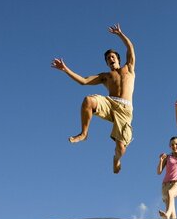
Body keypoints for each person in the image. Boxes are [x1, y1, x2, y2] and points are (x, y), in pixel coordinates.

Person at [51, 23, 135, 174]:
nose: (110, 59)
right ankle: (84, 133)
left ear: (118, 58)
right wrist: (65, 69)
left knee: (121, 148)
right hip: (110, 103)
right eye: (108, 58)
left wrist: (120, 34)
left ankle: (116, 159)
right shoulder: (105, 76)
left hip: (125, 110)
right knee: (88, 100)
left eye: (112, 57)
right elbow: (83, 80)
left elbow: (130, 48)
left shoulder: (128, 68)